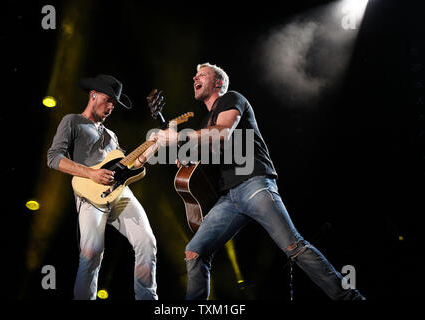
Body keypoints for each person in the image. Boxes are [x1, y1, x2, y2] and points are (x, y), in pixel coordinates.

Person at [154, 63, 365, 300]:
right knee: (195, 251)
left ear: (218, 83)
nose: (195, 77)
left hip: (254, 183)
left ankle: (351, 298)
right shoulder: (205, 123)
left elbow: (222, 133)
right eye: (194, 75)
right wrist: (173, 146)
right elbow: (191, 166)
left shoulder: (231, 98)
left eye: (202, 74)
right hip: (229, 198)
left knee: (293, 246)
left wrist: (181, 136)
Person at [47, 74, 158, 300]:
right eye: (108, 100)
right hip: (89, 193)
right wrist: (92, 173)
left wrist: (153, 147)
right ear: (93, 94)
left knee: (147, 241)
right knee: (91, 254)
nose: (110, 107)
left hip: (119, 193)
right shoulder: (72, 121)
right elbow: (53, 158)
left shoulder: (112, 136)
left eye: (114, 104)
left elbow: (132, 165)